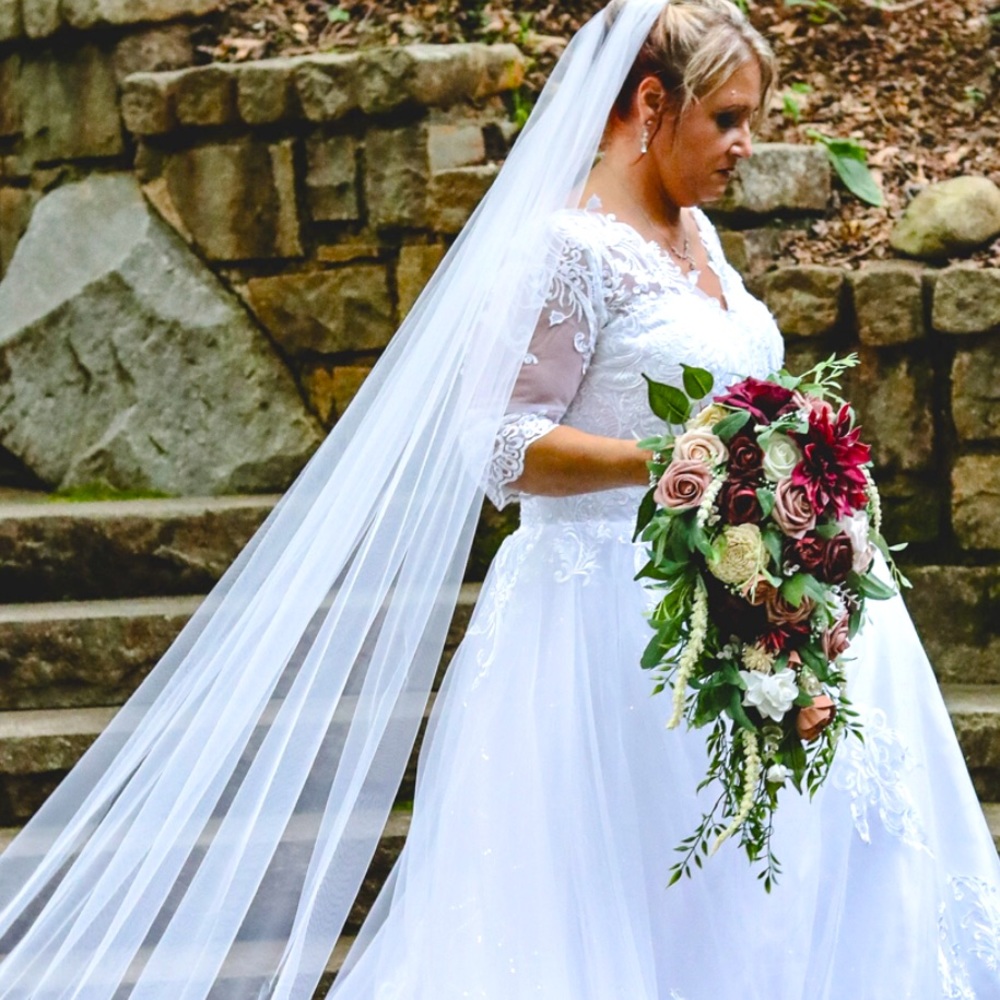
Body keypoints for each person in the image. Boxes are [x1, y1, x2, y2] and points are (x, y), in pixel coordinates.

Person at [0, 2, 997, 998]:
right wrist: (669, 462)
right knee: (628, 892)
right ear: (651, 104)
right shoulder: (566, 248)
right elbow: (499, 442)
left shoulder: (697, 237)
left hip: (742, 603)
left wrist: (802, 481)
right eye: (728, 119)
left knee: (763, 876)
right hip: (601, 623)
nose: (747, 146)